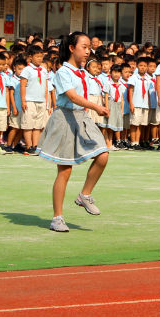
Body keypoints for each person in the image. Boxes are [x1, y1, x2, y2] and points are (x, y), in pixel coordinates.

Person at [37, 32, 110, 233]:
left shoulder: (83, 72)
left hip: (82, 118)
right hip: (65, 118)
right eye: (84, 47)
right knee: (65, 170)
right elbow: (72, 96)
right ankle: (57, 218)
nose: (88, 51)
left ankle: (84, 195)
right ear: (71, 48)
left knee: (102, 155)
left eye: (89, 47)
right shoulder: (63, 72)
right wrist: (96, 107)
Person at [20, 45, 49, 155]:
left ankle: (36, 145)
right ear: (30, 57)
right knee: (28, 124)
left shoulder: (44, 70)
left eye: (41, 56)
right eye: (37, 56)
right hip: (29, 100)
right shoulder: (27, 70)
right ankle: (28, 145)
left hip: (41, 101)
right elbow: (23, 86)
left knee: (38, 125)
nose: (39, 59)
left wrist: (46, 101)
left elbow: (45, 86)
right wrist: (23, 101)